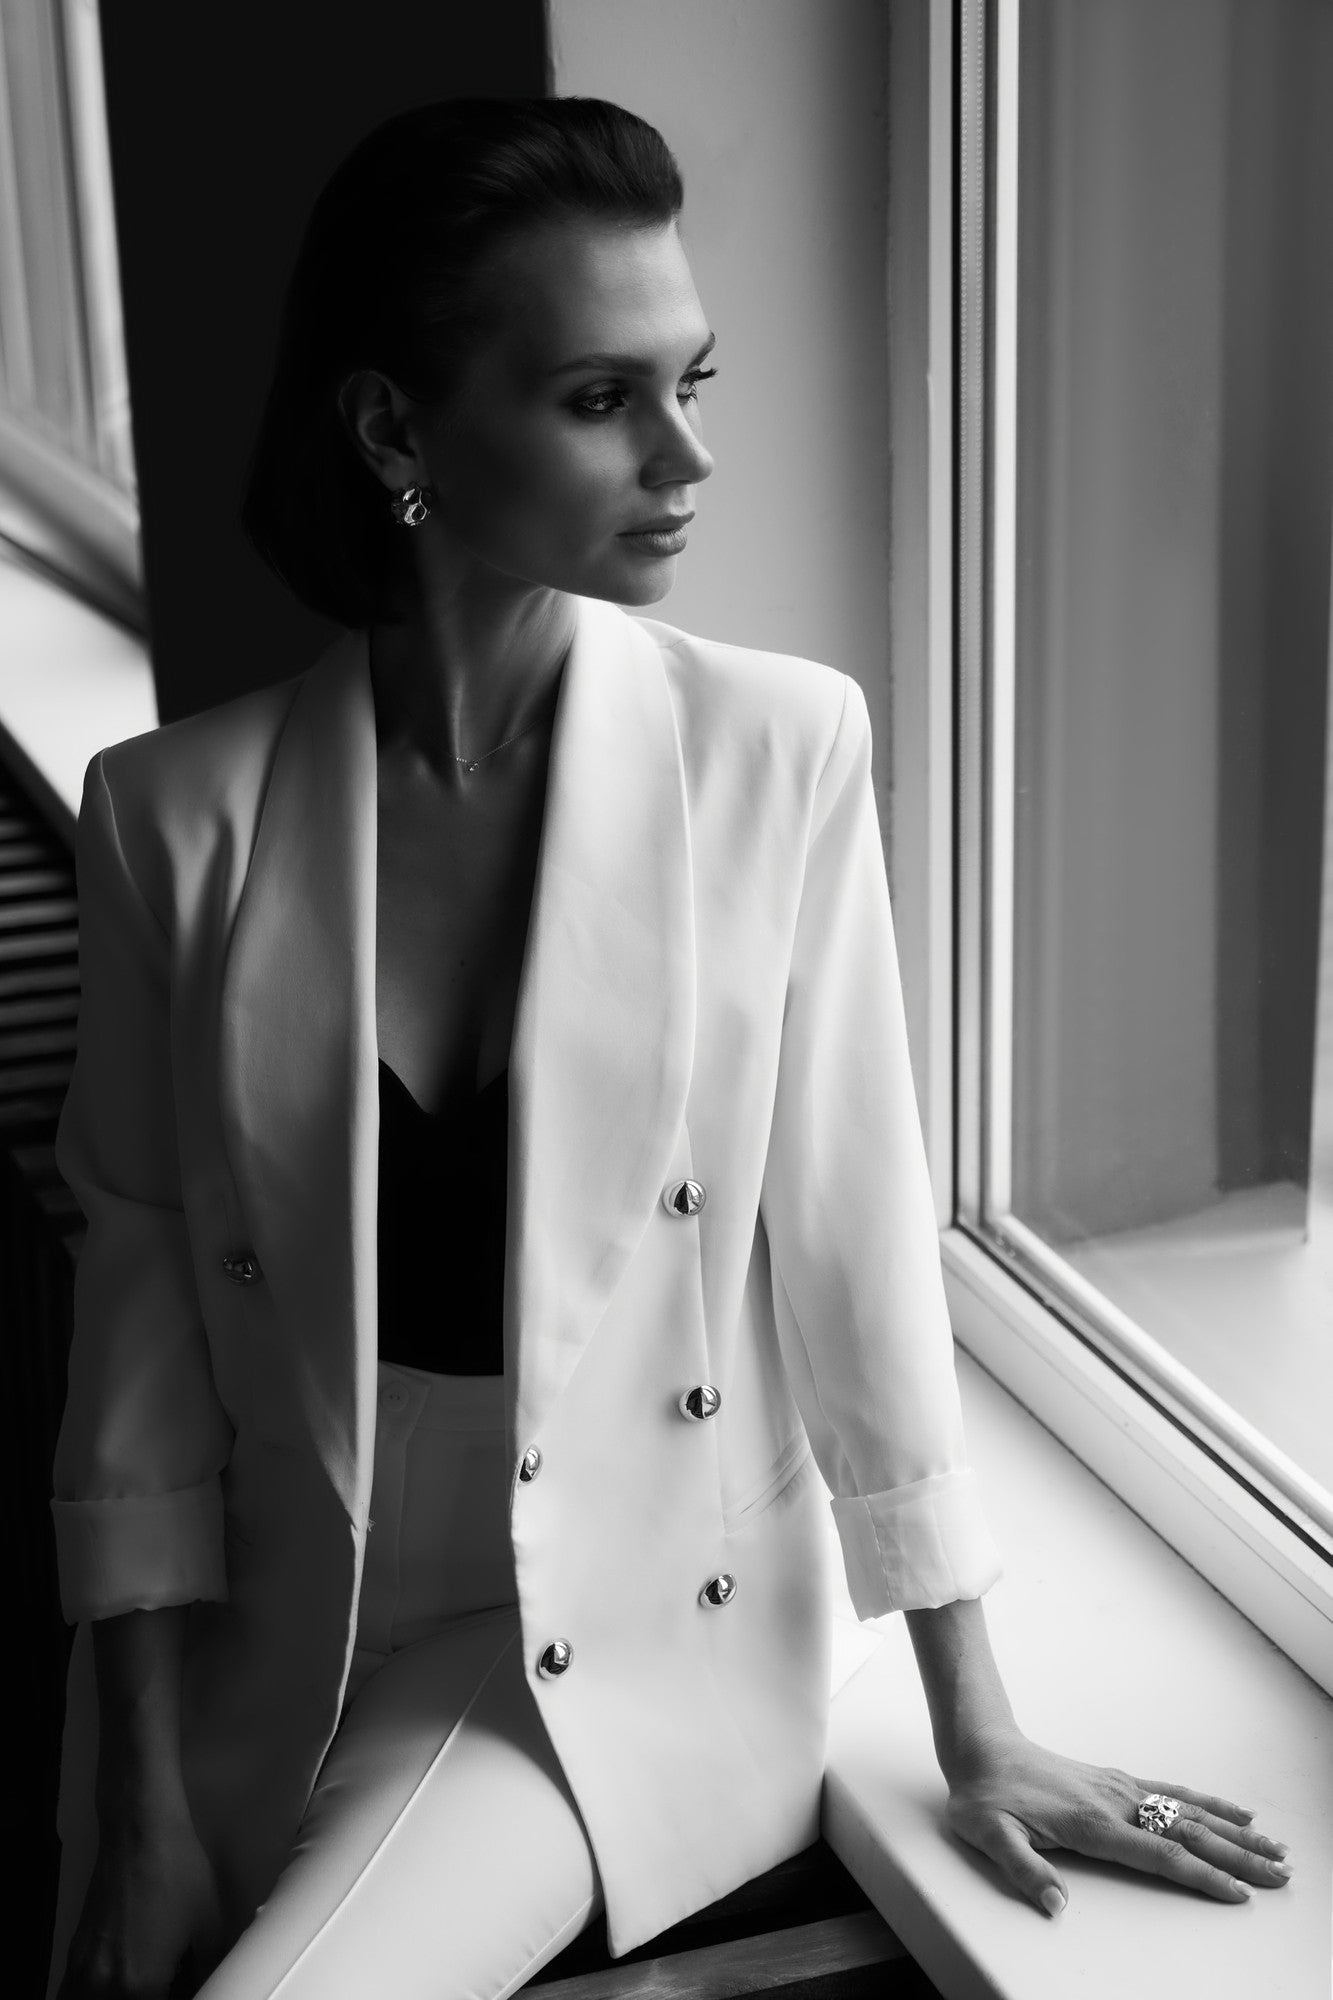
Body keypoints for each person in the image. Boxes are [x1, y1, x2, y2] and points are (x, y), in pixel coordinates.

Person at [47, 95, 1291, 2000]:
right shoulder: (170, 815)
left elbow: (855, 1246)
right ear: (394, 431)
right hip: (272, 1621)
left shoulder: (776, 750)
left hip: (608, 1636)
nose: (688, 453)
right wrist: (132, 1802)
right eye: (598, 398)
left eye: (691, 380)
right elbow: (138, 1319)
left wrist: (973, 1717)